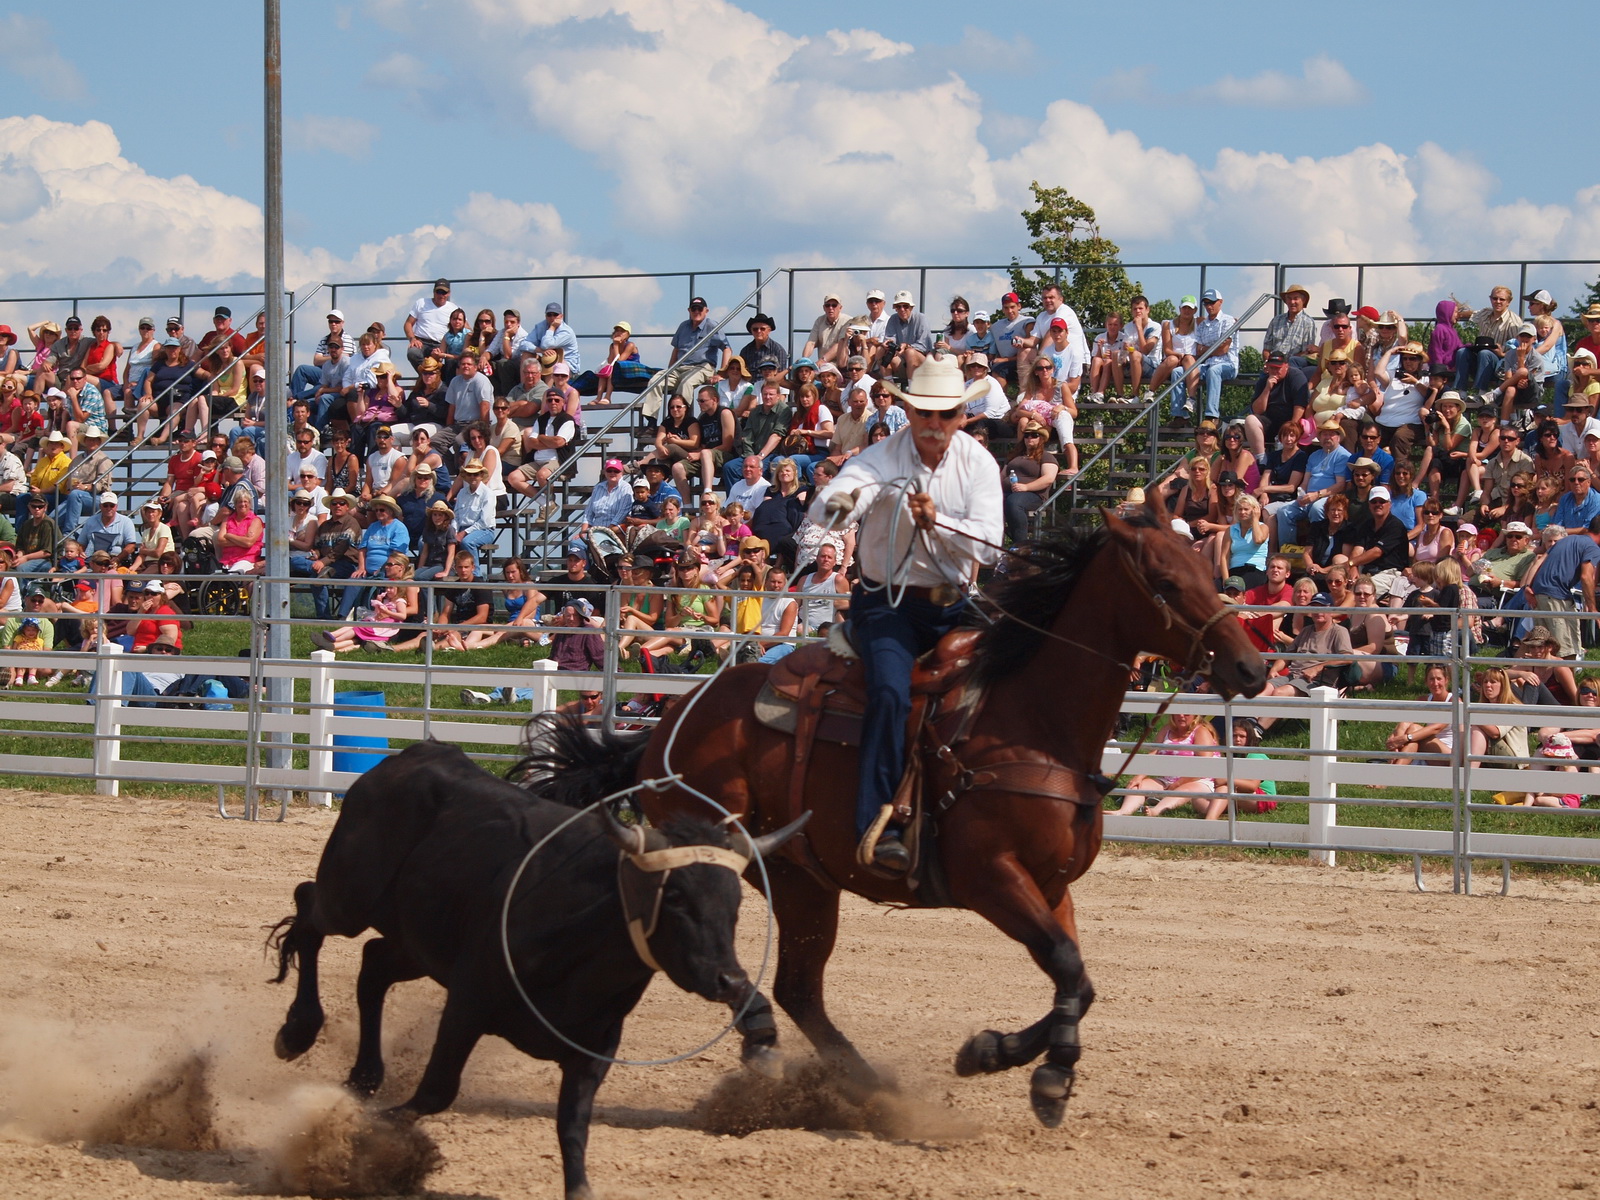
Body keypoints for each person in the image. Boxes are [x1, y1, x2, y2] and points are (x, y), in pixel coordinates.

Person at [809, 355, 1001, 875]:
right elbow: (837, 499)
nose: (935, 424)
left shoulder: (978, 464)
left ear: (963, 414)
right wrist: (845, 503)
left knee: (1016, 681)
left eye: (947, 414)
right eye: (926, 414)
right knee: (891, 692)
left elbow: (989, 547)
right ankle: (877, 825)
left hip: (954, 604)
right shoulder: (879, 458)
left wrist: (940, 523)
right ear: (910, 412)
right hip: (887, 605)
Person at [1113, 708, 1222, 818]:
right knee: (1138, 785)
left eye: (1186, 713)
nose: (1181, 715)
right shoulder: (1166, 729)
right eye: (1177, 712)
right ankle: (1123, 811)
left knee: (1185, 790)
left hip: (1198, 780)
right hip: (1167, 779)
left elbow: (1204, 766)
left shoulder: (1201, 731)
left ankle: (1156, 810)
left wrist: (1178, 783)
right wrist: (1139, 777)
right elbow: (1153, 754)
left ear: (1195, 715)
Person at [1525, 513, 1600, 658]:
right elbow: (1586, 576)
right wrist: (1592, 608)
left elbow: (1540, 561)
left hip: (1539, 594)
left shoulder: (1566, 540)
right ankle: (1568, 680)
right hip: (1556, 596)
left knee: (1542, 650)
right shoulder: (1592, 547)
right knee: (1566, 651)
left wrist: (1529, 586)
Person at [643, 296, 730, 419]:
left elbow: (727, 348)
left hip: (702, 367)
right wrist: (670, 370)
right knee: (655, 381)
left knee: (686, 384)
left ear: (706, 311)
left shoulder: (712, 326)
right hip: (679, 367)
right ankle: (651, 421)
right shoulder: (683, 326)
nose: (696, 312)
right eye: (694, 309)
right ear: (689, 310)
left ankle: (683, 421)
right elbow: (676, 349)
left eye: (700, 309)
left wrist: (722, 373)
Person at [1386, 664, 1455, 769]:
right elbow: (1404, 722)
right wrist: (1396, 739)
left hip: (1448, 753)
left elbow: (1437, 728)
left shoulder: (1453, 701)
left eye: (1439, 679)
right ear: (1426, 681)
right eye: (1431, 679)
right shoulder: (1423, 699)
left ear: (1446, 680)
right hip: (1428, 748)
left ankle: (1388, 776)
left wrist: (1406, 738)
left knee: (1414, 730)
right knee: (1406, 727)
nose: (1435, 683)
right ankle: (1392, 771)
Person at [1001, 419, 1059, 543]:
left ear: (1041, 438)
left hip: (1033, 495)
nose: (1029, 438)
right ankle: (994, 547)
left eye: (1034, 435)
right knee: (992, 503)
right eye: (1026, 435)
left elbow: (1048, 478)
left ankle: (1021, 546)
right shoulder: (1014, 456)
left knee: (1013, 502)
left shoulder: (1046, 456)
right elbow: (1002, 476)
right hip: (1008, 492)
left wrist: (1026, 487)